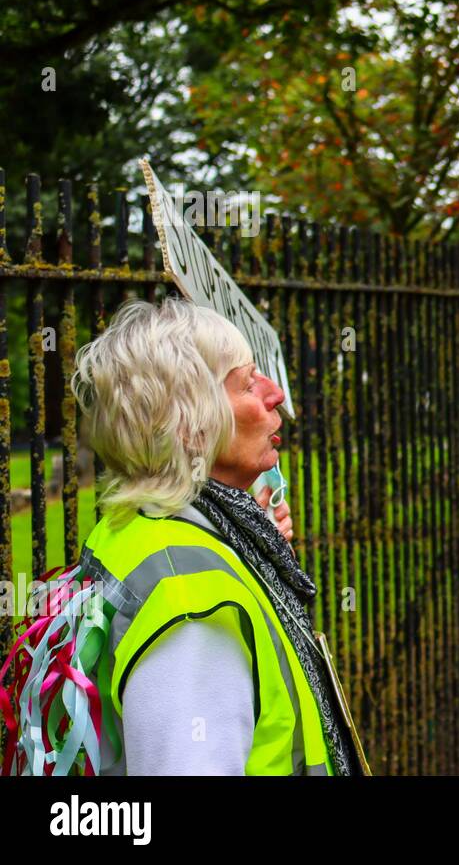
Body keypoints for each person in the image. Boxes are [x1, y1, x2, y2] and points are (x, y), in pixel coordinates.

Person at [9, 296, 364, 775]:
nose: (275, 393)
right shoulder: (192, 606)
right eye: (245, 383)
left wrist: (249, 544)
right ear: (190, 428)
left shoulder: (148, 527)